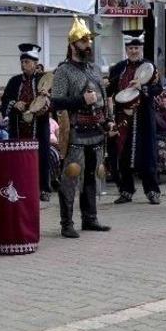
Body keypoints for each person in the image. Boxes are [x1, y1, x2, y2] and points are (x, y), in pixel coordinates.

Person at [50, 17, 111, 238]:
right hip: (76, 131)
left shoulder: (94, 68)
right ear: (73, 45)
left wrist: (109, 119)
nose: (88, 45)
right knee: (71, 176)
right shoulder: (63, 71)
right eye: (84, 41)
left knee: (93, 177)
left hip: (96, 130)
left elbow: (104, 97)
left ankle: (90, 219)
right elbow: (55, 102)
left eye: (89, 41)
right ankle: (67, 223)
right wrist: (80, 101)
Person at [107, 30, 162, 205]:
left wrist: (142, 88)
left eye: (136, 47)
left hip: (143, 117)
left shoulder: (149, 67)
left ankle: (152, 191)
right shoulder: (118, 68)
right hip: (122, 117)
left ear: (141, 48)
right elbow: (110, 90)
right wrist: (103, 86)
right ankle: (126, 190)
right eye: (130, 48)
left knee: (147, 155)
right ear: (126, 49)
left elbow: (158, 89)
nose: (133, 51)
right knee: (122, 153)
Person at [2, 43, 52, 201]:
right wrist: (14, 104)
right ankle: (21, 186)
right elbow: (5, 101)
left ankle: (44, 188)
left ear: (35, 63)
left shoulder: (44, 80)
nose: (24, 65)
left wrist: (45, 101)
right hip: (18, 126)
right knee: (19, 157)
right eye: (22, 62)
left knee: (42, 156)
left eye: (27, 62)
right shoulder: (14, 81)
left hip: (39, 125)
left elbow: (53, 100)